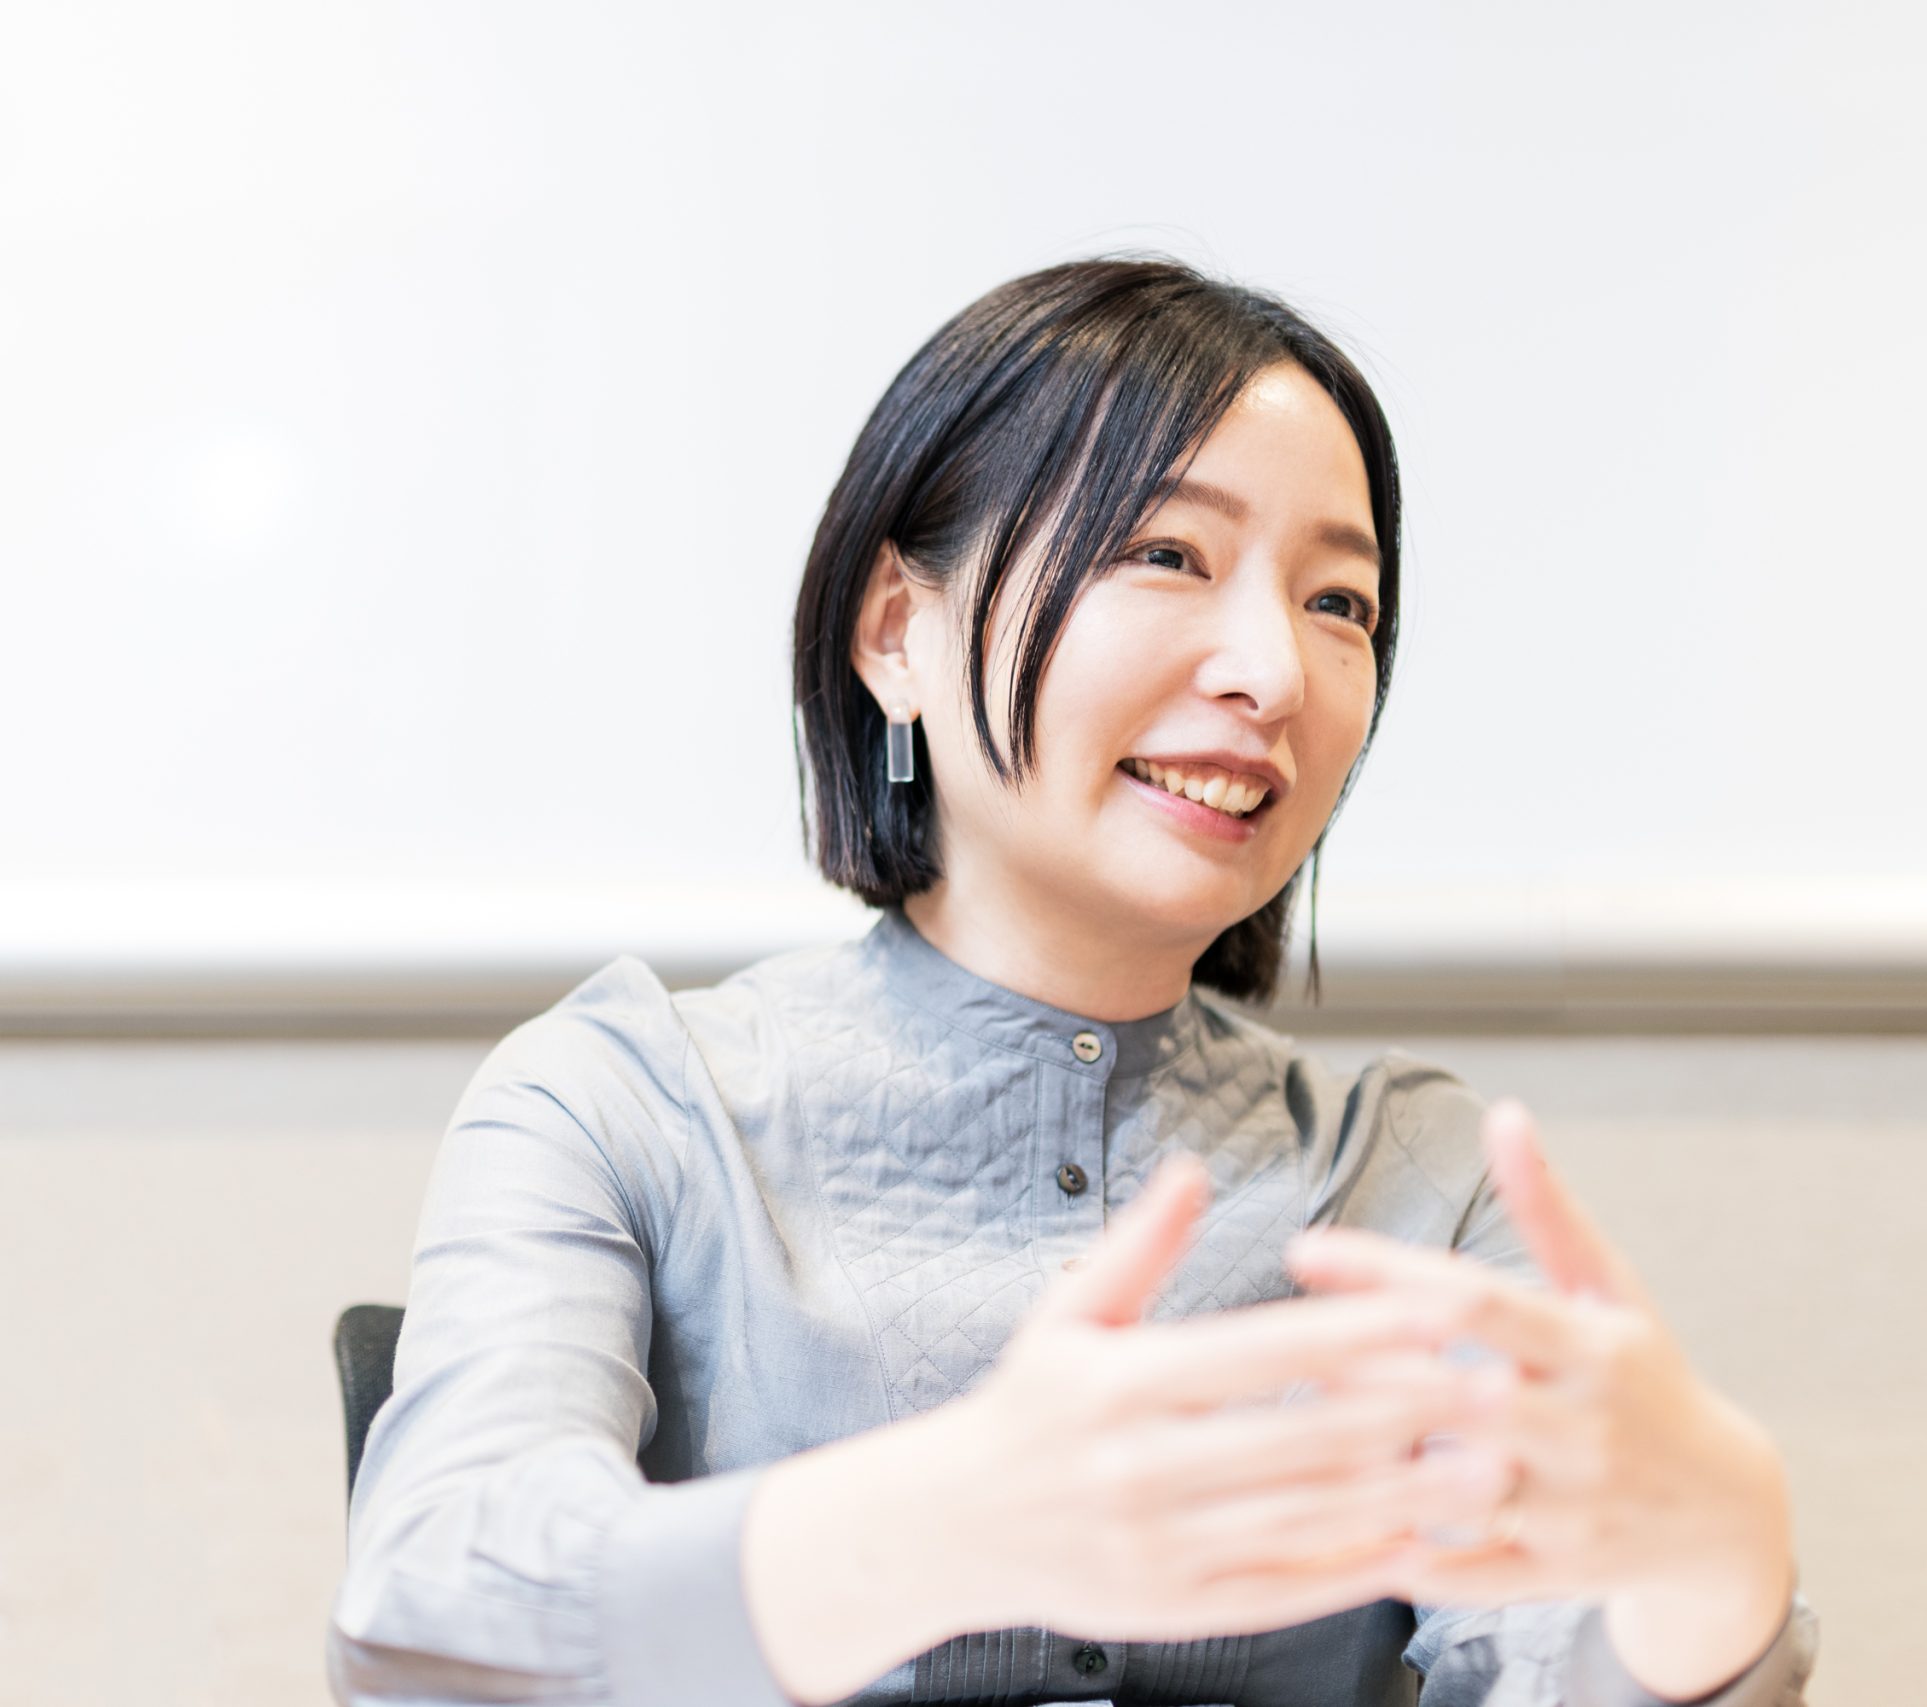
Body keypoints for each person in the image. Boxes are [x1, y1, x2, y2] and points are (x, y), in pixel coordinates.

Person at [325, 256, 1820, 1707]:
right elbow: (434, 1627)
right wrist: (944, 1523)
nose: (1273, 674)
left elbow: (1560, 1663)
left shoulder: (1412, 1173)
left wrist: (1715, 1561)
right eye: (1168, 555)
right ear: (896, 631)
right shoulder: (626, 1103)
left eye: (1340, 603)